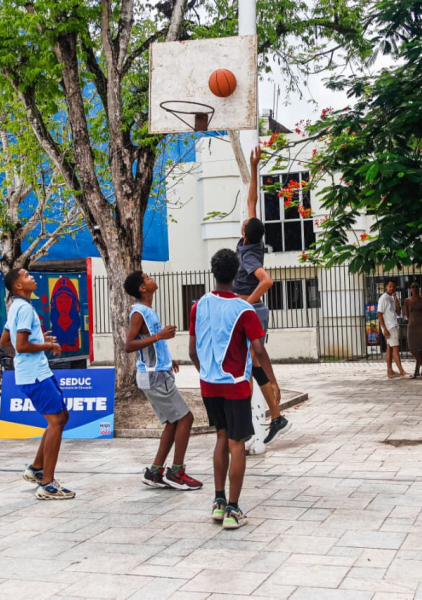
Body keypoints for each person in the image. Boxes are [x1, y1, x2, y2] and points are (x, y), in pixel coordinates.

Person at [189, 249, 278, 530]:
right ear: (237, 272)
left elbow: (193, 351)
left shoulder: (198, 305)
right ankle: (233, 509)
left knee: (220, 438)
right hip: (236, 385)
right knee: (236, 444)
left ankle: (218, 501)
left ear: (213, 272)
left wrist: (206, 373)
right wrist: (272, 381)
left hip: (208, 384)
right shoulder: (244, 309)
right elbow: (259, 349)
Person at [123, 270, 202, 490]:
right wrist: (160, 336)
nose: (151, 279)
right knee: (186, 419)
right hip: (154, 376)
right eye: (147, 278)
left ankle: (155, 471)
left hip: (158, 372)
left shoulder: (148, 311)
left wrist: (168, 359)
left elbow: (151, 345)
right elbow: (129, 345)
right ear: (142, 288)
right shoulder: (138, 312)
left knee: (172, 422)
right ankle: (176, 473)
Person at [0, 268, 74, 500]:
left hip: (37, 372)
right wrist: (47, 345)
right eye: (25, 275)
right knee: (57, 421)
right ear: (18, 286)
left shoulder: (15, 307)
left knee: (61, 417)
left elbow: (5, 340)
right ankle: (47, 484)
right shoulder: (24, 308)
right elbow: (20, 346)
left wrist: (40, 340)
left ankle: (36, 469)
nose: (31, 276)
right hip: (34, 374)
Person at [233, 146, 288, 446]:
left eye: (244, 221)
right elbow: (252, 200)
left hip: (253, 309)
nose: (245, 219)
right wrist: (254, 167)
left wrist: (246, 301)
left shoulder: (249, 257)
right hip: (253, 309)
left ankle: (275, 399)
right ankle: (276, 408)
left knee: (256, 358)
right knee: (256, 360)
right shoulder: (251, 240)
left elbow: (267, 281)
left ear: (244, 233)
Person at [378, 279, 407, 378]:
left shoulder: (391, 298)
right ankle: (402, 371)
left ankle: (390, 371)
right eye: (390, 286)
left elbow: (398, 312)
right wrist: (384, 328)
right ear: (386, 286)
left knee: (389, 348)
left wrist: (395, 298)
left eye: (393, 286)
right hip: (390, 327)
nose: (392, 288)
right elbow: (379, 314)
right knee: (395, 349)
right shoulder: (383, 298)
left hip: (393, 325)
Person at [405, 282, 422, 378]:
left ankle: (419, 369)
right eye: (412, 287)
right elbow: (407, 314)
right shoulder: (407, 301)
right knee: (412, 347)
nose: (414, 289)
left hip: (421, 327)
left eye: (416, 287)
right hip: (412, 327)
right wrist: (412, 321)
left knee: (420, 348)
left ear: (419, 289)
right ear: (410, 289)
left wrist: (419, 321)